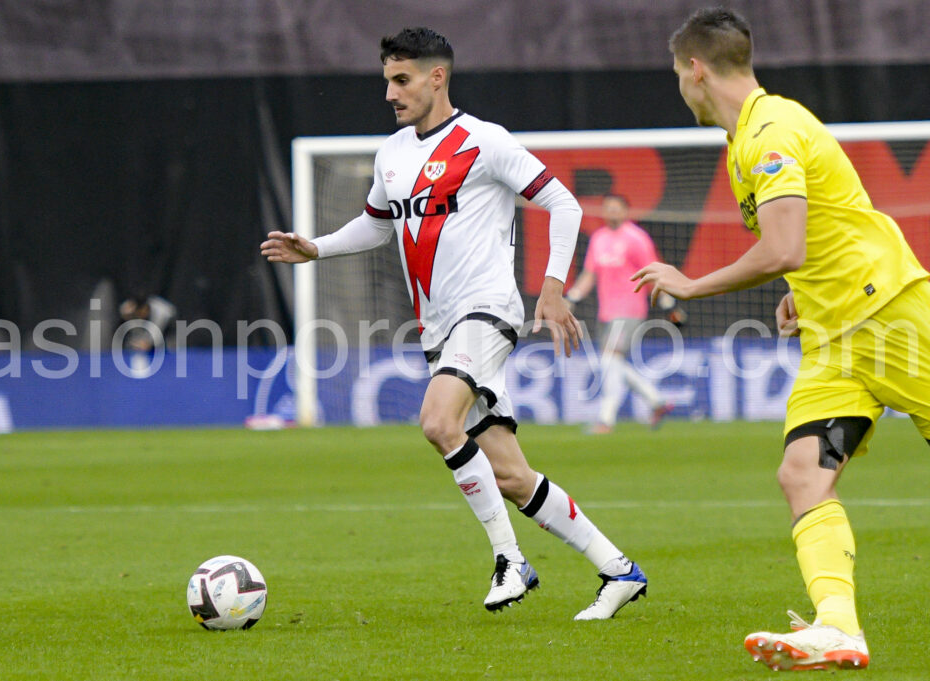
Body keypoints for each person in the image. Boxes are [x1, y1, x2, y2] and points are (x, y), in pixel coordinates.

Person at [262, 27, 647, 620]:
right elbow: (377, 225)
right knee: (512, 476)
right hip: (439, 328)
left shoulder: (484, 141)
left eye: (402, 79)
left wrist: (551, 286)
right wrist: (315, 248)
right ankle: (619, 571)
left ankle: (509, 559)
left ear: (436, 77)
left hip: (487, 310)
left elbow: (562, 203)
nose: (391, 92)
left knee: (438, 422)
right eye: (388, 79)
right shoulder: (391, 153)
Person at [634, 7, 930, 670]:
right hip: (835, 340)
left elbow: (783, 244)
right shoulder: (754, 134)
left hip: (890, 319)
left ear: (696, 68)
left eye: (679, 76)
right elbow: (826, 226)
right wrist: (809, 284)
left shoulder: (769, 132)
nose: (682, 90)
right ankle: (839, 627)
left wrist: (689, 283)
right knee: (803, 474)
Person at [565, 193, 678, 434]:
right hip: (606, 310)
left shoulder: (636, 238)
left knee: (609, 360)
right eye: (608, 208)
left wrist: (668, 303)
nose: (612, 213)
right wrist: (572, 296)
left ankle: (606, 420)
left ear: (626, 212)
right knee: (612, 362)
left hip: (630, 308)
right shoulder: (598, 238)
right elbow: (589, 274)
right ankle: (656, 401)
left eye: (616, 209)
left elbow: (652, 272)